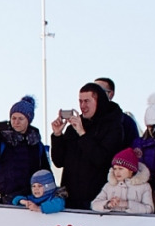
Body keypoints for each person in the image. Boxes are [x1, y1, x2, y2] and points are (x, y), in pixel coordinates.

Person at [50, 82, 128, 211]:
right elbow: (58, 162)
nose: (82, 106)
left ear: (99, 101)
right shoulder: (73, 128)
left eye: (87, 101)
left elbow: (102, 160)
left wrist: (82, 134)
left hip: (98, 200)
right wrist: (57, 135)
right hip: (70, 199)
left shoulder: (114, 127)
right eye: (80, 101)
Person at [0, 96, 49, 205]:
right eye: (13, 118)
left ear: (29, 120)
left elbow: (45, 173)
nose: (16, 122)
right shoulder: (1, 139)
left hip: (29, 200)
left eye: (20, 118)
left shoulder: (37, 144)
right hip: (2, 200)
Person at [92, 148, 155, 214]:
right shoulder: (109, 185)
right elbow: (94, 205)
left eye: (121, 169)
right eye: (115, 169)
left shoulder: (144, 186)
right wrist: (108, 204)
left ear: (131, 170)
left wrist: (126, 204)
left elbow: (149, 209)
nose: (117, 172)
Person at [95, 77, 140, 144]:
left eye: (99, 91)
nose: (93, 95)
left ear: (110, 94)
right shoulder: (82, 121)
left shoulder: (126, 122)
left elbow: (133, 149)